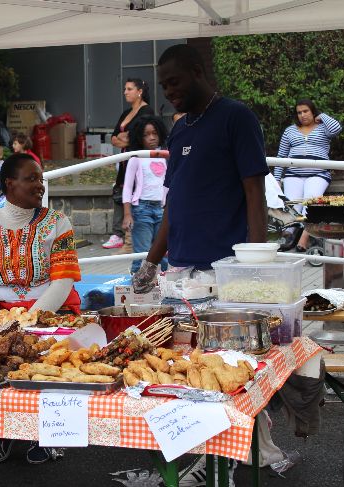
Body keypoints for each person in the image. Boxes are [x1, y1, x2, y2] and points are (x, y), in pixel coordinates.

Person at [132, 44, 272, 484]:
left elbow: (255, 194)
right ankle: (198, 455)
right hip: (180, 274)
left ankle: (225, 462)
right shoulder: (179, 130)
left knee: (227, 371)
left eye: (174, 82)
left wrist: (253, 266)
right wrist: (150, 264)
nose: (168, 91)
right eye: (163, 85)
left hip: (226, 270)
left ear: (197, 71)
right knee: (188, 369)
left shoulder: (236, 117)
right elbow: (174, 203)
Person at [0, 152, 81, 464]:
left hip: (52, 310)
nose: (40, 185)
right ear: (9, 184)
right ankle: (2, 432)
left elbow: (63, 280)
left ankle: (47, 433)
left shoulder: (58, 223)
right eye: (31, 179)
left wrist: (30, 319)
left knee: (46, 363)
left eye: (40, 179)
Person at [273, 99, 342, 252]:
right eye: (299, 112)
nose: (302, 115)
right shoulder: (290, 131)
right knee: (293, 206)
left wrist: (322, 116)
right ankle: (289, 235)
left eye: (306, 111)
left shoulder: (323, 128)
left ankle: (304, 238)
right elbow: (281, 156)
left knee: (311, 202)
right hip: (293, 174)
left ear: (313, 111)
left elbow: (337, 128)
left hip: (318, 174)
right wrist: (277, 179)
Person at [103, 78, 155, 250]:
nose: (125, 92)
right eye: (125, 89)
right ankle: (117, 233)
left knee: (135, 191)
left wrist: (126, 138)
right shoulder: (126, 112)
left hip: (138, 159)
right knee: (120, 189)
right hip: (124, 159)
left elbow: (139, 136)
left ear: (139, 91)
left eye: (129, 89)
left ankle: (135, 234)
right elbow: (113, 137)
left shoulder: (147, 110)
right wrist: (123, 138)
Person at [121, 116, 169, 274]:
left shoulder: (165, 157)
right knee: (142, 252)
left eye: (154, 133)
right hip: (142, 210)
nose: (152, 137)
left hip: (162, 209)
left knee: (163, 252)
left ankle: (163, 280)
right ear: (139, 138)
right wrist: (127, 214)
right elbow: (128, 187)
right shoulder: (136, 158)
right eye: (146, 135)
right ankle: (136, 280)